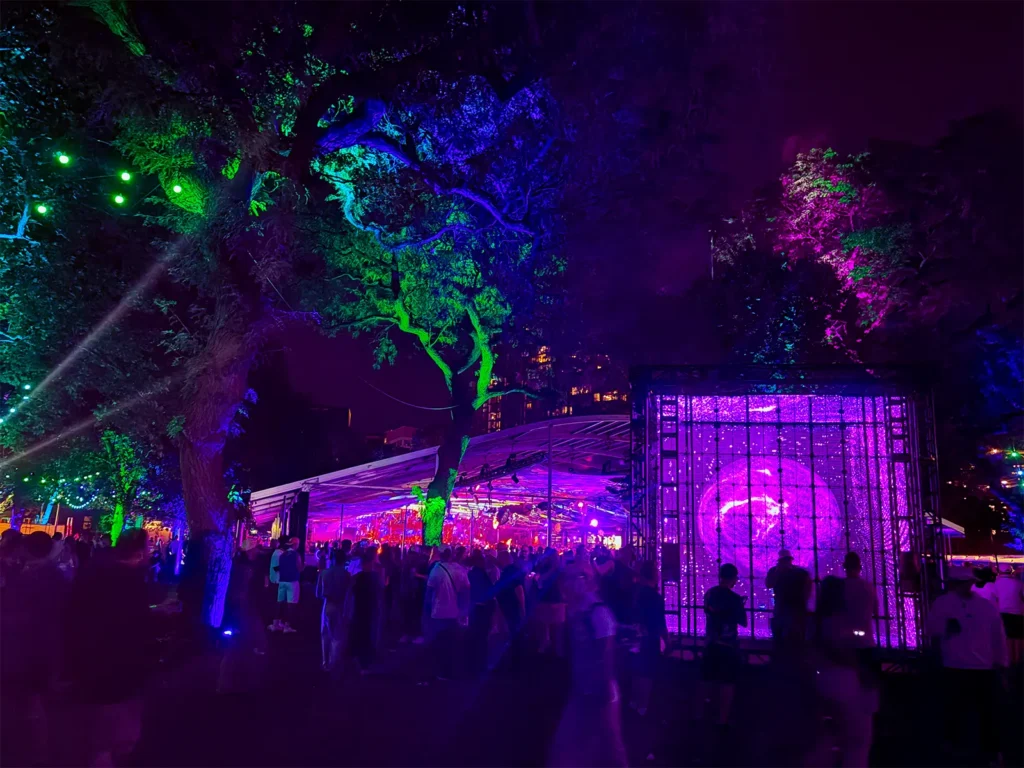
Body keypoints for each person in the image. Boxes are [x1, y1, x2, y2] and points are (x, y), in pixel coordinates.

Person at [68, 529, 153, 766]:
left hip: (93, 659)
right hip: (119, 663)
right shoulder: (131, 581)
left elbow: (75, 614)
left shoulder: (93, 572)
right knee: (117, 729)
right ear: (138, 552)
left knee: (102, 727)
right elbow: (134, 622)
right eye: (147, 548)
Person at [927, 565, 1008, 765]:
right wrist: (1000, 663)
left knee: (954, 710)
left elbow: (932, 631)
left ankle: (952, 747)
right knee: (985, 712)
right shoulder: (985, 606)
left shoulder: (944, 603)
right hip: (980, 667)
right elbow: (998, 636)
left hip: (956, 666)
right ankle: (990, 752)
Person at [548, 560, 626, 767]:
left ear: (590, 583)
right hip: (584, 688)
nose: (570, 583)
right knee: (589, 745)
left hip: (599, 690)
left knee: (609, 746)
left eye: (579, 578)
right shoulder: (579, 610)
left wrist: (604, 692)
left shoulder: (598, 613)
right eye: (570, 578)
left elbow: (606, 657)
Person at [810, 576, 879, 768]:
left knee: (827, 736)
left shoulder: (816, 621)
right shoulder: (845, 619)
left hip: (822, 678)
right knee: (858, 740)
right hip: (846, 679)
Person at [218, 539, 268, 693]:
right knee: (236, 643)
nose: (256, 553)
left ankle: (227, 683)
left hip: (238, 606)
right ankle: (229, 684)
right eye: (254, 550)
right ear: (249, 551)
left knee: (235, 641)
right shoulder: (245, 567)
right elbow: (245, 588)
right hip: (242, 606)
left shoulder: (239, 564)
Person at [702, 563, 747, 726]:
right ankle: (722, 720)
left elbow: (708, 611)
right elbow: (743, 621)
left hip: (711, 642)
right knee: (727, 683)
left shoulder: (709, 594)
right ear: (733, 578)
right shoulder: (735, 599)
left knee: (708, 680)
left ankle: (704, 714)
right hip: (728, 646)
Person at [630, 560, 667, 716]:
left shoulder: (636, 592)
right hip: (650, 637)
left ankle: (634, 701)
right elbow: (659, 622)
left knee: (637, 670)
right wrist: (667, 641)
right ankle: (643, 706)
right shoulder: (654, 597)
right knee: (647, 672)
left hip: (636, 635)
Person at [427, 547, 470, 680]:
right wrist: (465, 609)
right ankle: (452, 670)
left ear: (440, 554)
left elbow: (429, 591)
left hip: (439, 611)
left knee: (440, 643)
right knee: (453, 642)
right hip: (455, 611)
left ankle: (442, 671)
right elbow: (467, 590)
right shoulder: (459, 569)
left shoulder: (437, 570)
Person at [343, 548, 380, 673]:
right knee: (367, 635)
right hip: (369, 610)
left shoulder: (357, 578)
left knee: (358, 633)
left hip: (358, 610)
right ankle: (364, 663)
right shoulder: (374, 577)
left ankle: (356, 659)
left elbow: (350, 594)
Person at [317, 548, 352, 672]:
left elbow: (318, 593)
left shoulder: (324, 573)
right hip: (341, 605)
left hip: (327, 604)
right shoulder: (347, 575)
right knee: (337, 636)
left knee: (325, 634)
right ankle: (333, 664)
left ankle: (325, 662)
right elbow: (349, 594)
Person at [467, 550, 496, 676]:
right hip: (482, 608)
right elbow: (488, 591)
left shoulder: (471, 573)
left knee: (475, 635)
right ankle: (481, 664)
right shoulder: (482, 574)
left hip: (474, 607)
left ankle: (473, 663)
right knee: (482, 636)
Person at [270, 537, 302, 633]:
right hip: (292, 581)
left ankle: (275, 623)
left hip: (282, 581)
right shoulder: (296, 555)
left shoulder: (282, 554)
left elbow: (278, 567)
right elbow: (299, 568)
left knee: (279, 602)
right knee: (291, 605)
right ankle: (287, 626)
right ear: (295, 544)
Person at [993, 565, 1023, 666]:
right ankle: (1017, 659)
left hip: (1003, 612)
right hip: (1018, 612)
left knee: (1007, 637)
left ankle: (1009, 659)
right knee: (1018, 637)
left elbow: (995, 598)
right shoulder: (1018, 583)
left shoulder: (996, 584)